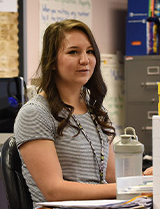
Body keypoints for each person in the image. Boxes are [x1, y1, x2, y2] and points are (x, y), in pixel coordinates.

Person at [14, 19, 117, 208]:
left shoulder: (97, 112)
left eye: (90, 51)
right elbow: (54, 191)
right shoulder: (35, 113)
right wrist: (121, 190)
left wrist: (147, 179)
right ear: (52, 62)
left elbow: (110, 176)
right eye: (73, 52)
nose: (85, 60)